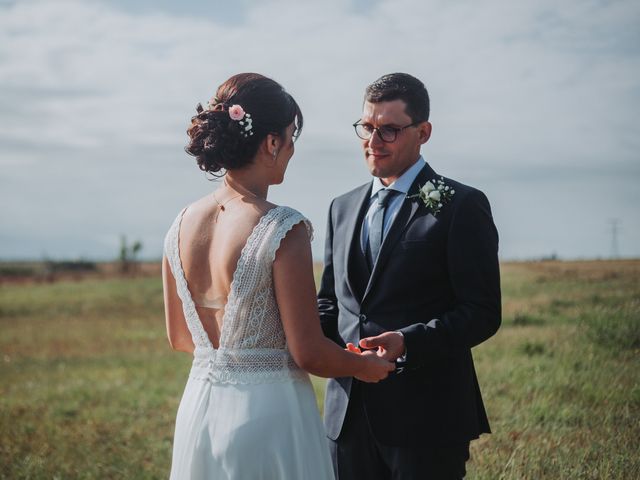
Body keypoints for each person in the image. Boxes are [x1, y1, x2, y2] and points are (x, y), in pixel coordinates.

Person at [162, 73, 394, 479]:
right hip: (269, 415)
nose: (290, 149)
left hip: (199, 407)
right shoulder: (281, 227)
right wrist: (364, 367)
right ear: (271, 142)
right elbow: (309, 353)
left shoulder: (180, 223)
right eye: (290, 137)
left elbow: (180, 338)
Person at [318, 73, 502, 479]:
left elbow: (483, 312)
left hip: (428, 418)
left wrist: (408, 342)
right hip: (347, 416)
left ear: (423, 132)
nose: (373, 140)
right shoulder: (341, 207)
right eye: (367, 127)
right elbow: (331, 302)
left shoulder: (462, 205)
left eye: (389, 129)